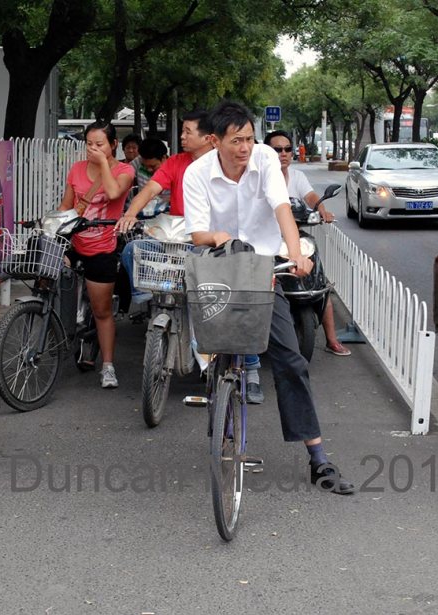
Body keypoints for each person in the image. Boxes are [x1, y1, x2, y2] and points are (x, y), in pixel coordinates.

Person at [184, 101, 354, 494]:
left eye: (249, 138)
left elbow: (281, 209)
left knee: (290, 359)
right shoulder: (197, 173)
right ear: (215, 141)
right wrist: (219, 237)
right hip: (218, 268)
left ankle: (318, 457)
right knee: (213, 351)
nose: (245, 147)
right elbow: (197, 234)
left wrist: (295, 253)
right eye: (236, 140)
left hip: (263, 269)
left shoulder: (264, 161)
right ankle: (220, 408)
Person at [116, 110, 267, 404]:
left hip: (216, 244)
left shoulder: (227, 164)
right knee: (134, 249)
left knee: (235, 304)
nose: (182, 137)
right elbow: (150, 189)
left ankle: (251, 370)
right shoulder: (175, 163)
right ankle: (146, 298)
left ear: (209, 138)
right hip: (180, 240)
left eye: (187, 132)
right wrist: (130, 214)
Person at [58, 122, 135, 388]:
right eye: (89, 143)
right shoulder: (77, 168)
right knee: (51, 282)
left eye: (99, 144)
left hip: (103, 246)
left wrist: (102, 162)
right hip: (75, 242)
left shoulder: (124, 170)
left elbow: (114, 193)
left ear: (113, 144)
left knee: (101, 311)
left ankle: (108, 366)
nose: (93, 149)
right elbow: (67, 206)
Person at [264, 130, 351, 357]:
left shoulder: (297, 176)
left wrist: (322, 210)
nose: (283, 154)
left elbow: (311, 197)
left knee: (320, 282)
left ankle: (332, 340)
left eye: (287, 149)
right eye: (277, 150)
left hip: (294, 237)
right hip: (266, 241)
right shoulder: (259, 177)